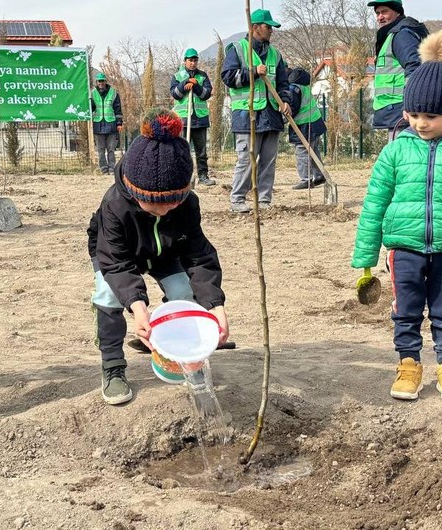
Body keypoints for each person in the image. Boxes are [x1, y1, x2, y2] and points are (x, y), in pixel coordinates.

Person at [351, 30, 442, 404]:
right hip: (404, 247)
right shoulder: (395, 153)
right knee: (407, 308)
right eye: (413, 114)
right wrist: (366, 254)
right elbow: (374, 204)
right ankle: (409, 363)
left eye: (430, 115)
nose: (420, 122)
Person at [87, 109, 229, 405]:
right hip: (118, 256)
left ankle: (174, 350)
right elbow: (116, 264)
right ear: (132, 188)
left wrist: (215, 306)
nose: (164, 211)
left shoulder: (188, 205)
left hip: (166, 253)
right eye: (153, 205)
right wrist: (139, 309)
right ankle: (112, 365)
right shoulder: (114, 205)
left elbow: (199, 256)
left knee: (183, 290)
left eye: (172, 203)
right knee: (109, 295)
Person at [221, 8, 291, 213]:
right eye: (268, 27)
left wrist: (285, 101)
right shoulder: (237, 49)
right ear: (254, 28)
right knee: (247, 159)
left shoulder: (275, 55)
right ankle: (238, 199)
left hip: (271, 115)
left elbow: (283, 84)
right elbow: (227, 78)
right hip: (247, 115)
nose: (271, 31)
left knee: (268, 160)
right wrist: (252, 72)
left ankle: (264, 200)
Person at [368, 0, 429, 139]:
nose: (380, 17)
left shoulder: (401, 36)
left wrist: (410, 104)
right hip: (396, 112)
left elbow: (414, 66)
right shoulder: (391, 35)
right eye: (377, 13)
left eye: (384, 12)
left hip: (402, 112)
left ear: (397, 12)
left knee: (402, 157)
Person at [171, 47, 216, 186]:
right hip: (183, 120)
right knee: (183, 151)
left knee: (201, 151)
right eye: (190, 60)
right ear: (185, 61)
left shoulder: (202, 76)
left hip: (200, 119)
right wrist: (185, 84)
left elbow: (206, 94)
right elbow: (175, 94)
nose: (193, 63)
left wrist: (196, 86)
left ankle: (203, 175)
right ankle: (182, 177)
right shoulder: (177, 76)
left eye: (195, 60)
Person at [287, 67, 327, 190]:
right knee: (313, 150)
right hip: (315, 122)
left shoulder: (293, 89)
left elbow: (292, 108)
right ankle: (319, 175)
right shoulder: (303, 86)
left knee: (302, 152)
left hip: (304, 125)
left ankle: (306, 179)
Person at [90, 72, 123, 175]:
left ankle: (112, 168)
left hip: (111, 124)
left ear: (105, 81)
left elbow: (118, 109)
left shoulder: (113, 92)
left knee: (111, 149)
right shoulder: (92, 93)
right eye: (99, 81)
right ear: (96, 82)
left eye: (103, 81)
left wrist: (119, 123)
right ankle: (103, 169)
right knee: (100, 149)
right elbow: (90, 108)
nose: (101, 83)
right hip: (98, 124)